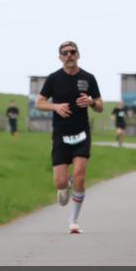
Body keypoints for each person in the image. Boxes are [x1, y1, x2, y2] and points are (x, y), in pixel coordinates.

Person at [35, 41, 102, 234]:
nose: (69, 55)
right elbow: (39, 102)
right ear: (60, 57)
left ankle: (74, 220)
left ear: (78, 54)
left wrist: (90, 102)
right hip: (60, 134)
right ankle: (65, 184)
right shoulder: (54, 79)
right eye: (65, 53)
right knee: (60, 182)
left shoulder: (88, 78)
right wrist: (55, 107)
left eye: (73, 52)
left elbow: (100, 105)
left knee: (80, 176)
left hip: (82, 133)